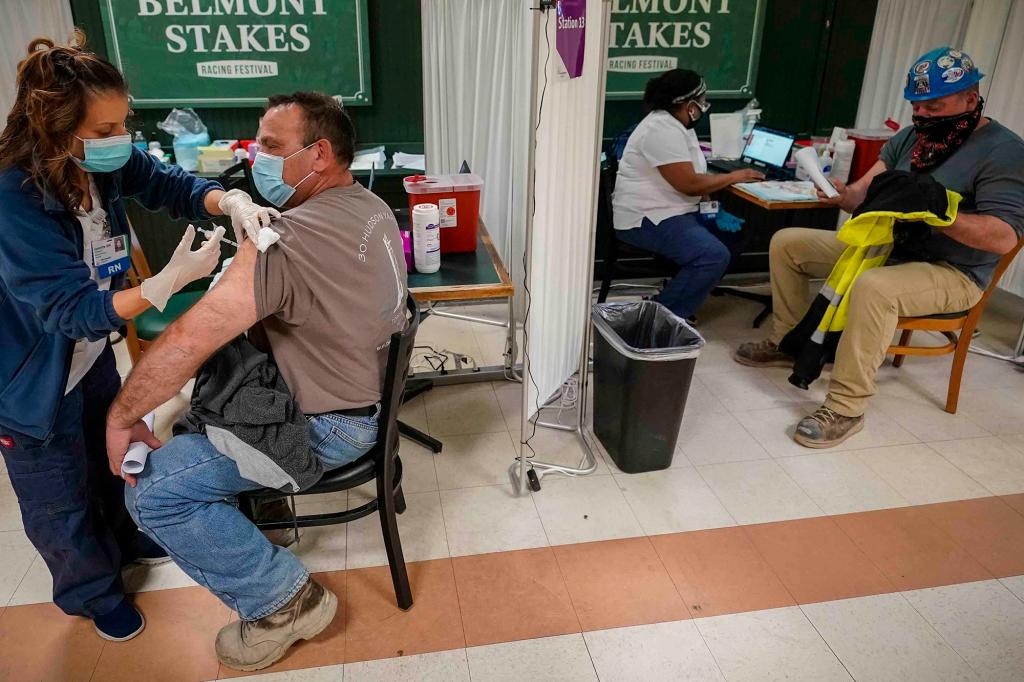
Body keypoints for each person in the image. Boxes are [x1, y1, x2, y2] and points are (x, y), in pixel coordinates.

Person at [105, 92, 408, 671]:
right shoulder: (369, 206)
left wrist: (121, 416)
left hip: (331, 425)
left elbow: (194, 337)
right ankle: (259, 523)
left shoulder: (287, 238)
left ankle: (283, 602)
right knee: (204, 403)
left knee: (152, 491)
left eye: (270, 146)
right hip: (361, 398)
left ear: (318, 154)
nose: (255, 157)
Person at [0, 32, 277, 642]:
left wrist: (225, 201)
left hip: (91, 356)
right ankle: (93, 595)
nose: (118, 140)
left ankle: (126, 541)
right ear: (54, 128)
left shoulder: (102, 164)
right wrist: (166, 284)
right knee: (58, 501)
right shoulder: (13, 200)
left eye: (122, 124)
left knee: (110, 452)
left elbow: (170, 185)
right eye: (103, 130)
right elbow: (72, 310)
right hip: (29, 378)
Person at [735, 47, 1024, 448]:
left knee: (874, 287)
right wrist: (839, 193)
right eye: (916, 106)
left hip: (953, 270)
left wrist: (940, 211)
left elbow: (1003, 236)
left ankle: (845, 407)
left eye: (934, 106)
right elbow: (862, 196)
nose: (921, 115)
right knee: (788, 243)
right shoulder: (910, 138)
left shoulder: (1005, 151)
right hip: (887, 248)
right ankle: (790, 343)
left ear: (971, 100)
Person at [611, 68, 764, 320]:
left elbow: (694, 177)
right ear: (687, 104)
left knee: (737, 236)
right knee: (712, 255)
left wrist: (711, 208)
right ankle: (660, 316)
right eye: (701, 101)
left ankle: (683, 293)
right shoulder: (659, 129)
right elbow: (689, 184)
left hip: (676, 210)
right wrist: (733, 177)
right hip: (646, 217)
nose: (704, 106)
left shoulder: (679, 126)